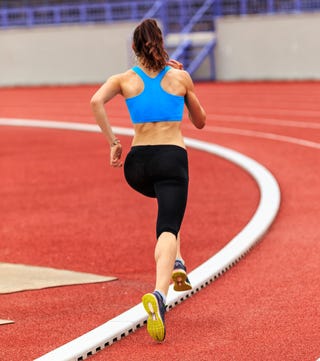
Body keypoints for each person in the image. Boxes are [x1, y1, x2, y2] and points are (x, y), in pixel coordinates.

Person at [90, 18, 206, 342]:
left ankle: (178, 262)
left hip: (137, 166)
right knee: (168, 225)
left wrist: (114, 142)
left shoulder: (125, 79)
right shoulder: (179, 78)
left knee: (169, 209)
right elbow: (200, 122)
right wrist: (186, 86)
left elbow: (96, 101)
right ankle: (158, 294)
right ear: (162, 43)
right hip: (171, 159)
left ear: (133, 48)